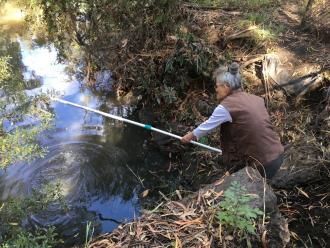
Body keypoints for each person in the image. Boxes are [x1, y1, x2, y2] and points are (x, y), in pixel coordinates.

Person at [181, 62, 284, 179]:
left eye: (217, 86)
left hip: (263, 165)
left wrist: (187, 138)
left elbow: (205, 128)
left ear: (226, 86)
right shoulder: (256, 99)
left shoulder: (226, 107)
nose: (216, 89)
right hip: (278, 155)